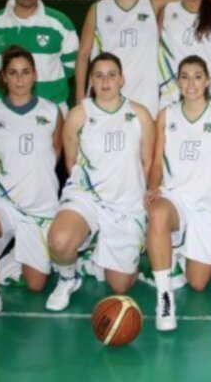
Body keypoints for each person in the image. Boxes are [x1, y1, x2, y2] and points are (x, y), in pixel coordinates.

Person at [45, 53, 155, 311]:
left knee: (119, 286)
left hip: (125, 203)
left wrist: (144, 208)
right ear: (91, 81)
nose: (105, 81)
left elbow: (147, 162)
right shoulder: (77, 115)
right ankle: (67, 278)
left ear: (122, 79)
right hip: (87, 197)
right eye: (99, 75)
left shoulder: (139, 114)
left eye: (112, 75)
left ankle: (98, 256)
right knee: (59, 241)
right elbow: (71, 164)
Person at [0, 46, 62, 327]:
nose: (19, 79)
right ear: (3, 77)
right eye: (13, 73)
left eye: (25, 72)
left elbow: (55, 154)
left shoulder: (52, 111)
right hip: (2, 200)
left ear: (35, 76)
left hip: (39, 207)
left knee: (36, 284)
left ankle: (10, 259)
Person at [145, 55, 211, 331]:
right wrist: (152, 187)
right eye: (184, 76)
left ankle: (171, 254)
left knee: (197, 283)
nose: (191, 83)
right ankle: (164, 296)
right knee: (159, 214)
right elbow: (157, 163)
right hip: (176, 198)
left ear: (208, 81)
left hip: (210, 206)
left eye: (197, 76)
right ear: (177, 82)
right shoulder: (166, 115)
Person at [75, 0, 161, 119]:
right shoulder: (98, 9)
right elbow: (83, 54)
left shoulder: (153, 4)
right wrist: (79, 97)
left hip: (145, 96)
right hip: (105, 92)